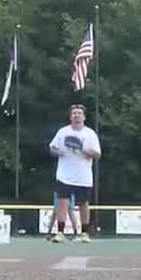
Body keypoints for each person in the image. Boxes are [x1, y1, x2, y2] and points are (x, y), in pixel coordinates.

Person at [48, 104, 101, 244]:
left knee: (83, 203)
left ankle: (84, 233)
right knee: (62, 202)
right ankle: (60, 232)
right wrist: (58, 152)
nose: (76, 115)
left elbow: (97, 155)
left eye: (79, 113)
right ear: (70, 116)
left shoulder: (90, 134)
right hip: (64, 175)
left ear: (84, 117)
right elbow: (52, 148)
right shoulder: (62, 132)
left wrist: (83, 149)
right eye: (74, 113)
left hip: (83, 176)